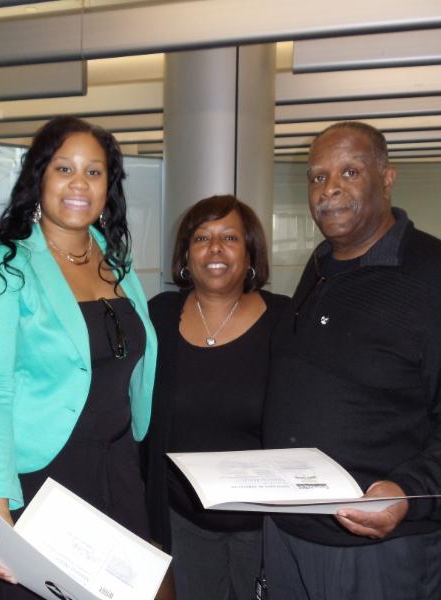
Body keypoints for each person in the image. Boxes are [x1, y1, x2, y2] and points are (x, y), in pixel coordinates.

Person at [261, 121, 441, 599]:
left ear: (387, 178)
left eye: (350, 172)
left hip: (380, 548)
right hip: (290, 530)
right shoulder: (321, 266)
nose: (329, 189)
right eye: (317, 177)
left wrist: (410, 490)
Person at [0, 115, 157, 599]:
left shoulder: (115, 260)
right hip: (39, 479)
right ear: (39, 177)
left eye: (94, 172)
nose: (79, 183)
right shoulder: (1, 268)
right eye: (64, 169)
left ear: (109, 185)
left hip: (117, 470)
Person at [144, 195, 289, 600]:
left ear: (250, 252)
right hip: (182, 521)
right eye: (202, 238)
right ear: (186, 255)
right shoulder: (159, 316)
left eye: (230, 237)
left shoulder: (286, 321)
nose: (215, 249)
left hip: (265, 526)